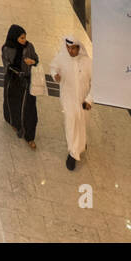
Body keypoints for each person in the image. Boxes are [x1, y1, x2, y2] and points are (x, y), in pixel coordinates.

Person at [50, 36, 93, 170]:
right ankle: (73, 154)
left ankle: (81, 143)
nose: (70, 50)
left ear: (79, 48)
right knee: (71, 122)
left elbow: (96, 83)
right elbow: (53, 67)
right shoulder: (62, 57)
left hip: (83, 100)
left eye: (73, 48)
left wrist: (89, 99)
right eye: (68, 47)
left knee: (82, 123)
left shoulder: (88, 62)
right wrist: (55, 75)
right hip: (68, 98)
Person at [1, 24, 39, 147]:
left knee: (30, 109)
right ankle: (14, 123)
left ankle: (30, 136)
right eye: (21, 38)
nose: (24, 41)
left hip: (27, 82)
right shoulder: (7, 48)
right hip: (13, 81)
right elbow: (6, 64)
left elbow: (37, 59)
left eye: (25, 38)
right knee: (13, 104)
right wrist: (15, 70)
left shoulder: (29, 47)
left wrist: (32, 62)